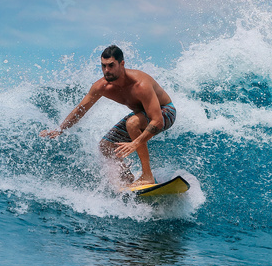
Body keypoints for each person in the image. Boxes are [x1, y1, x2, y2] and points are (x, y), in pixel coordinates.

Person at [39, 45, 176, 187]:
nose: (106, 70)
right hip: (141, 115)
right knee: (105, 146)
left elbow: (157, 121)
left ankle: (147, 176)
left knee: (132, 123)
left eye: (111, 65)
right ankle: (126, 180)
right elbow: (80, 110)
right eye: (103, 66)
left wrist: (135, 143)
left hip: (165, 111)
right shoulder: (101, 86)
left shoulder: (140, 85)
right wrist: (60, 129)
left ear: (121, 64)